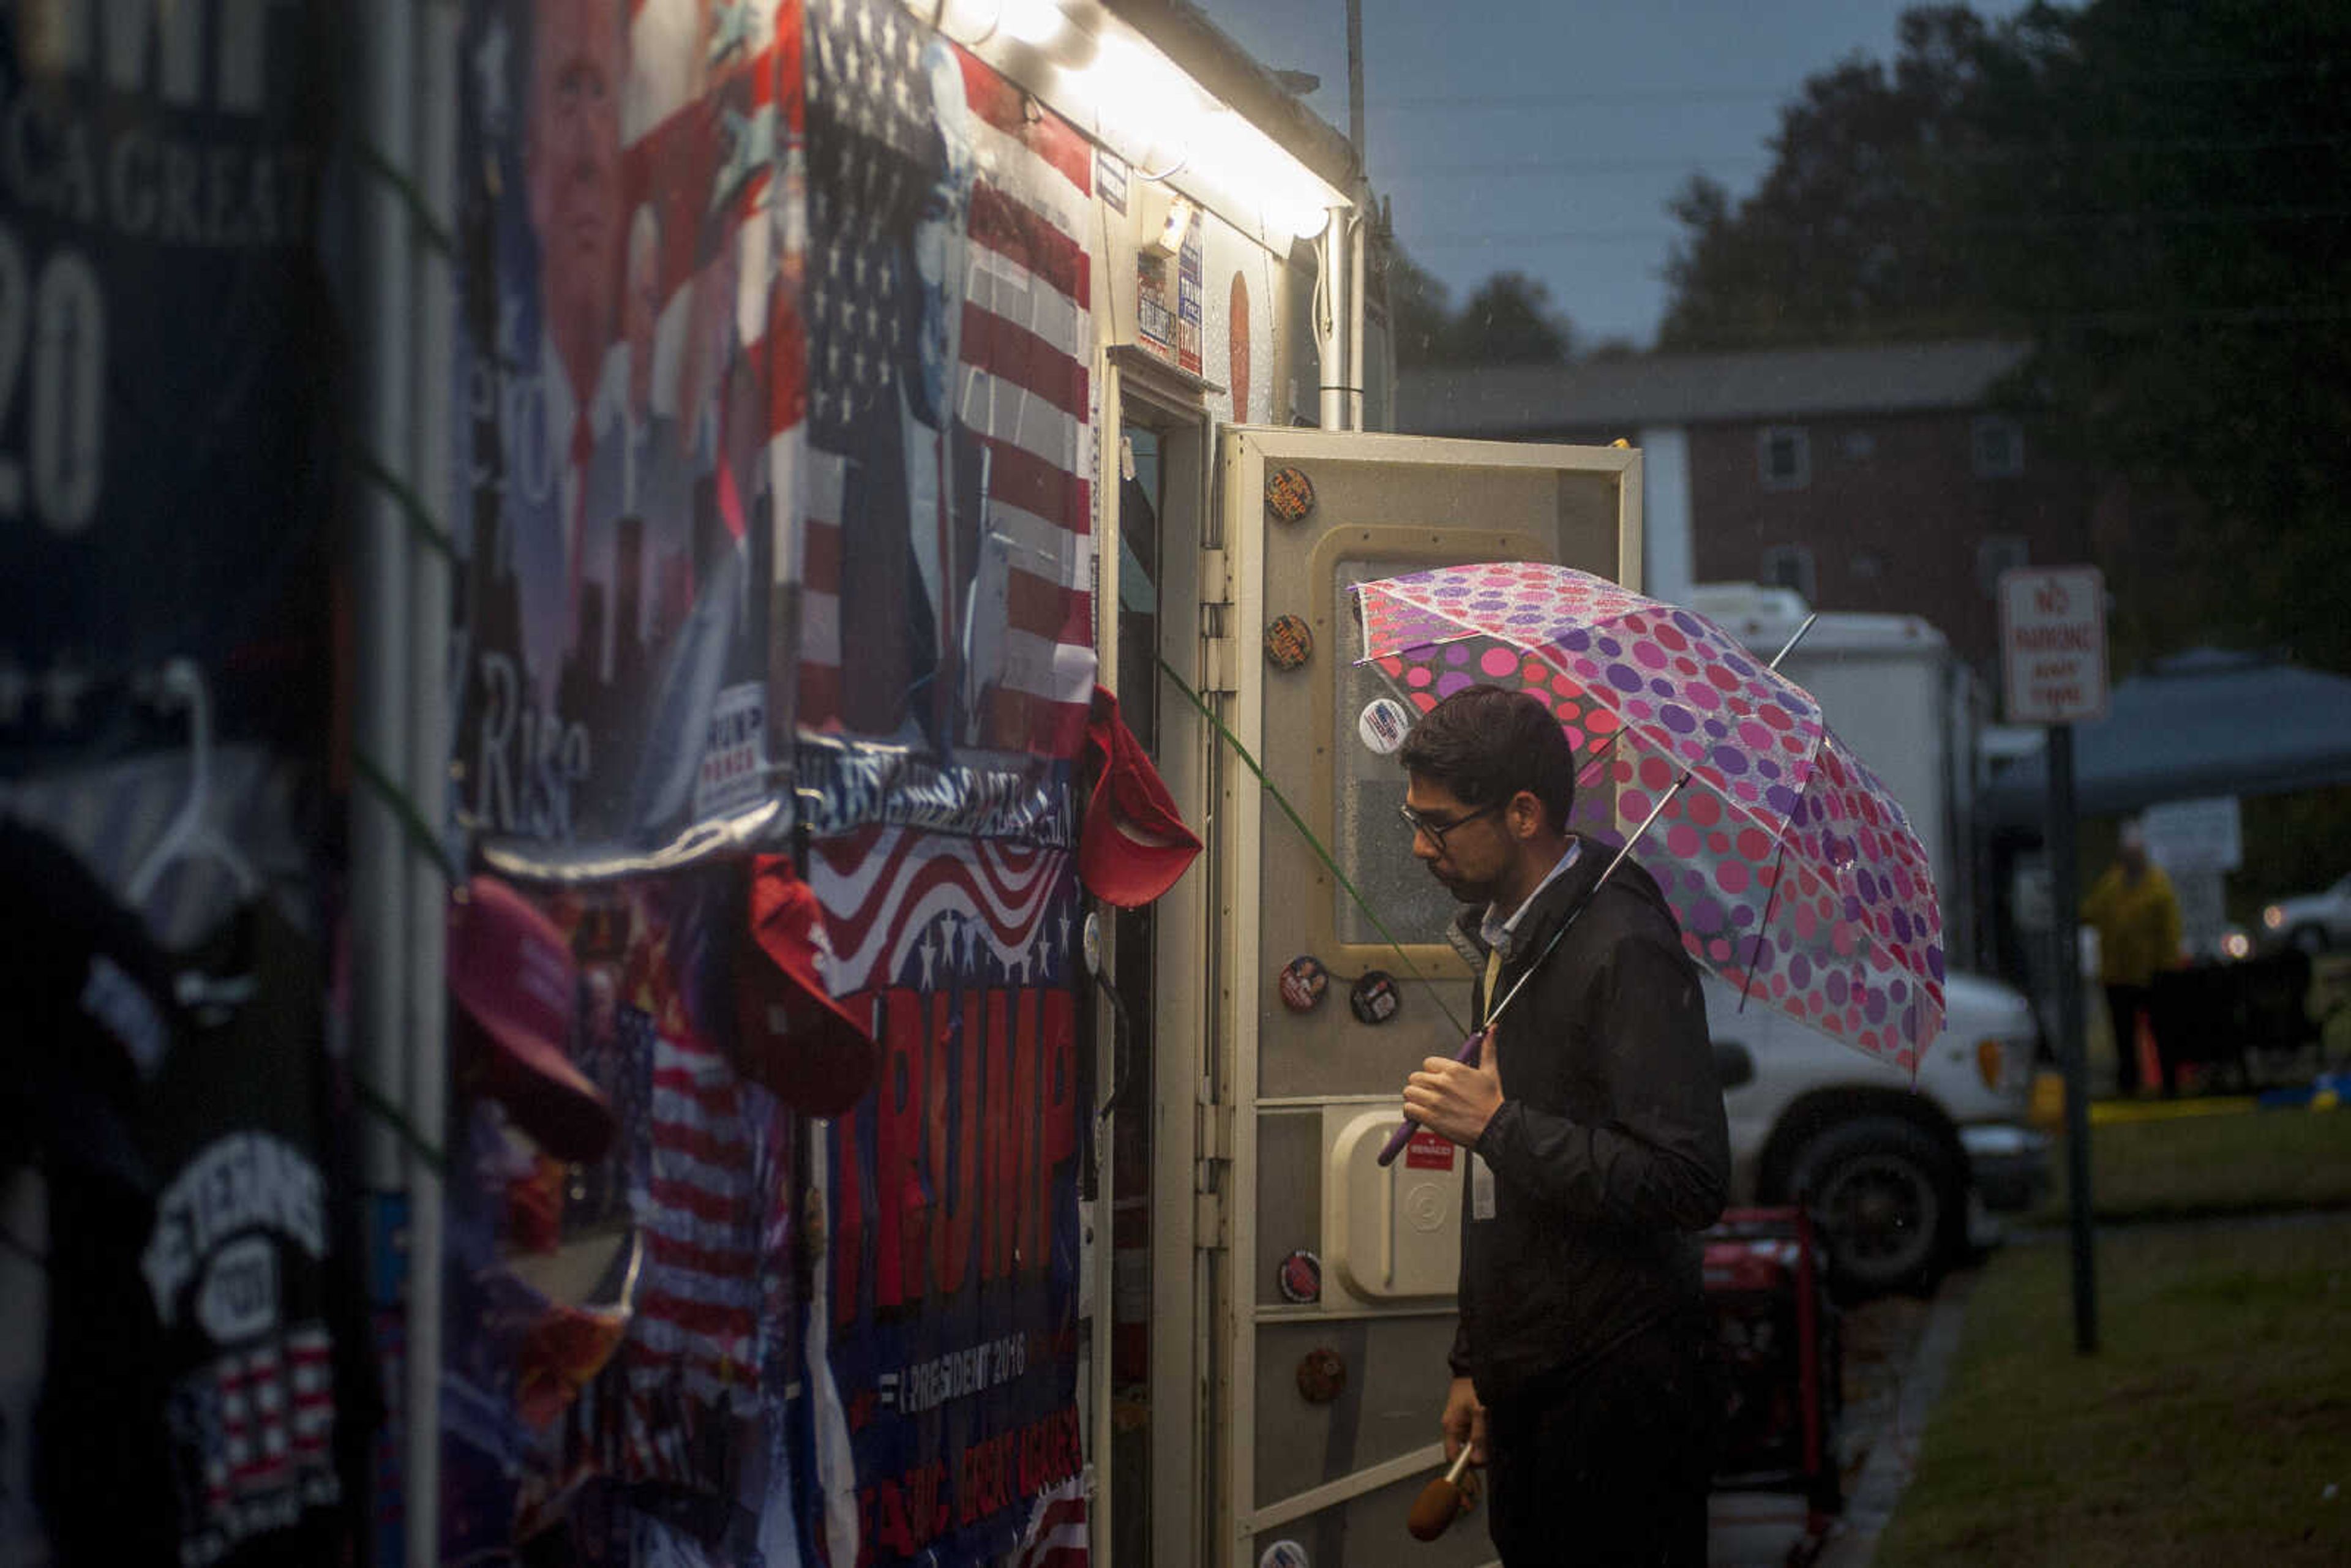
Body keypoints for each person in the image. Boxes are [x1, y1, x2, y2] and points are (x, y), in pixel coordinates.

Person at [1395, 685, 1730, 1567]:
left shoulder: (1624, 945)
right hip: (1535, 1378)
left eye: (1440, 825)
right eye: (1413, 822)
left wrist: (1499, 1124)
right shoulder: (1513, 940)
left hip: (1620, 1393)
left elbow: (1689, 1181)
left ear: (1523, 812)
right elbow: (1496, 1200)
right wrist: (1478, 1363)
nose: (1421, 848)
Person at [2080, 819, 2183, 1095]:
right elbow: (2089, 912)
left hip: (2153, 973)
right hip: (2117, 976)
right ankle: (2129, 1085)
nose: (2130, 857)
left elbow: (2170, 931)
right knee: (2123, 1037)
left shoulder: (2158, 886)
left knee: (2163, 1033)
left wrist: (2168, 967)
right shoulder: (2111, 885)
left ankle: (2169, 1085)